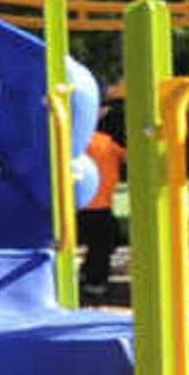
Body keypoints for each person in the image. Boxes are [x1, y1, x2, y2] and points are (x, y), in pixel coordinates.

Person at [75, 97, 127, 303]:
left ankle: (90, 276)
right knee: (103, 242)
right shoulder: (97, 141)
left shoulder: (103, 142)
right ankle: (93, 280)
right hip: (92, 206)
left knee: (107, 240)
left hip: (94, 205)